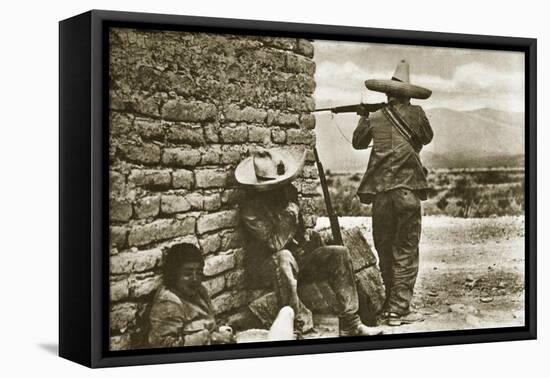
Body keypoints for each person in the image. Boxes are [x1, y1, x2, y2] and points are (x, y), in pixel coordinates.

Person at [235, 147, 382, 336]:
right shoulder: (251, 210)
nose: (281, 189)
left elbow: (300, 232)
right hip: (266, 267)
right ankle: (301, 326)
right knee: (284, 256)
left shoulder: (288, 194)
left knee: (338, 253)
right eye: (275, 186)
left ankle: (350, 323)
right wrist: (289, 215)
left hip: (294, 259)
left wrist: (308, 238)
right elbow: (275, 244)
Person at [352, 59, 434, 326]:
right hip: (408, 192)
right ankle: (398, 309)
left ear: (388, 93)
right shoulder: (418, 114)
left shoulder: (375, 118)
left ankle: (390, 304)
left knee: (385, 248)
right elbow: (426, 137)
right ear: (407, 95)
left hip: (381, 195)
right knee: (406, 250)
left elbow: (358, 142)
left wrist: (365, 115)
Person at [148, 243, 234, 347]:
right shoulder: (169, 302)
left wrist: (220, 332)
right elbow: (163, 346)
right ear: (174, 274)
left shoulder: (200, 292)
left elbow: (208, 323)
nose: (195, 279)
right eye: (187, 274)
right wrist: (211, 338)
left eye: (199, 272)